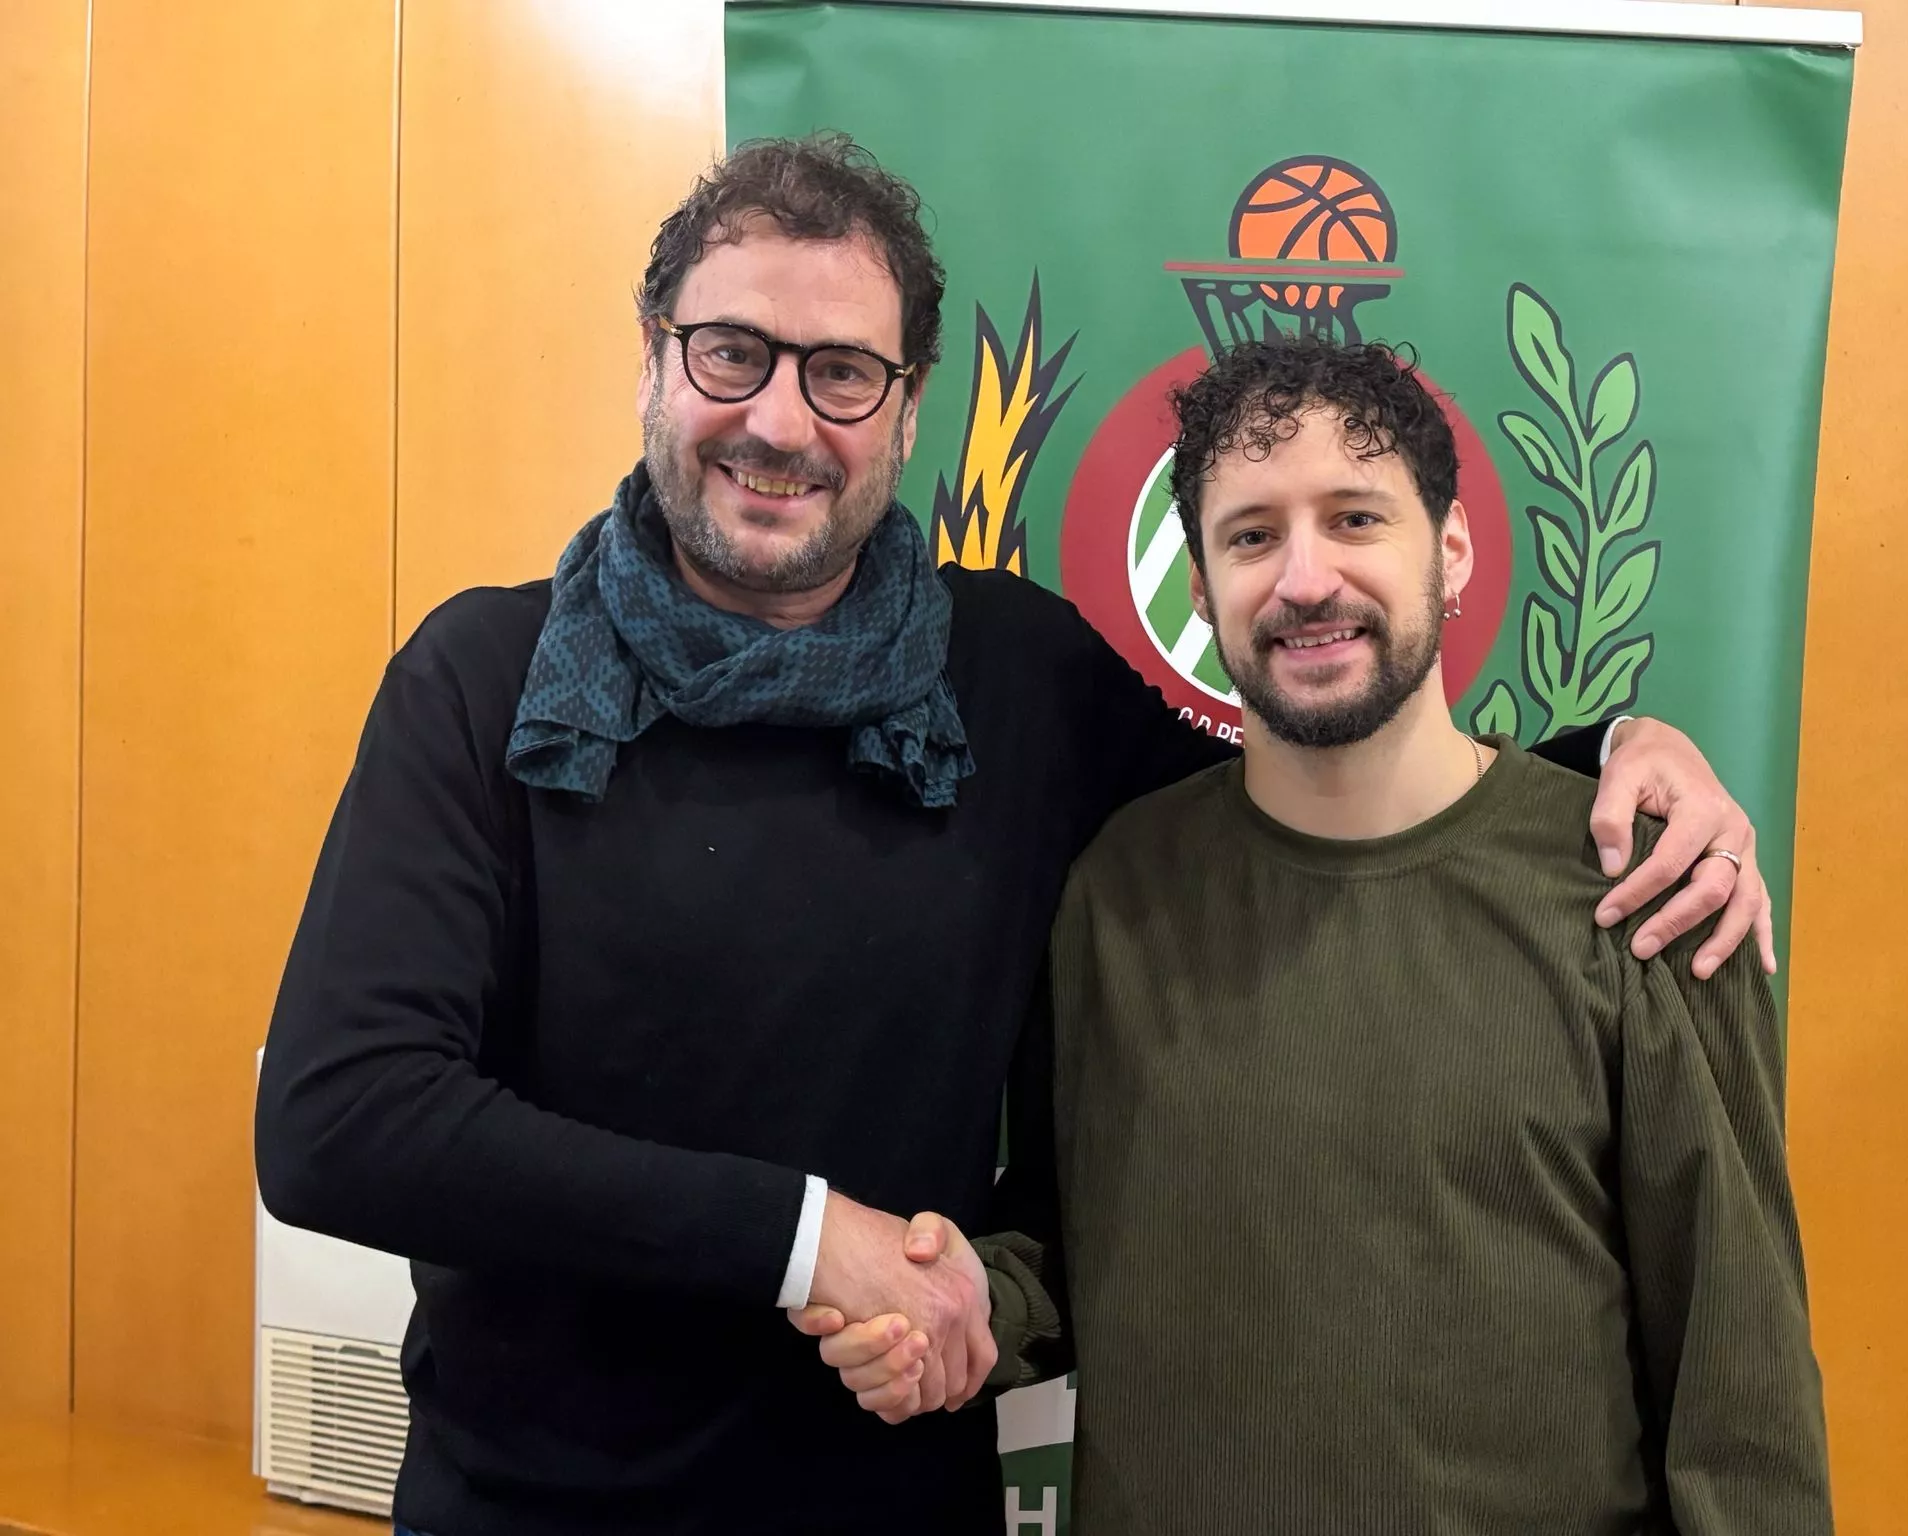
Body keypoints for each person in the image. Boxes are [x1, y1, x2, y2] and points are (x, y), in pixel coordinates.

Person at [255, 134, 1777, 1536]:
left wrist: (1605, 759)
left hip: (896, 1505)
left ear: (909, 407)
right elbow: (342, 1124)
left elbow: (1296, 763)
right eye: (733, 353)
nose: (779, 419)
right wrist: (799, 1240)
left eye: (842, 372)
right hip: (538, 1507)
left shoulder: (1016, 675)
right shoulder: (484, 679)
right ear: (656, 362)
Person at [804, 337, 1830, 1534]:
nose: (1303, 579)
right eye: (1250, 536)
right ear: (1198, 585)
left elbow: (1739, 1397)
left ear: (1448, 551)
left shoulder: (1639, 885)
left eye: (1353, 519)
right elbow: (1079, 1239)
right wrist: (967, 1301)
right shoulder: (1119, 890)